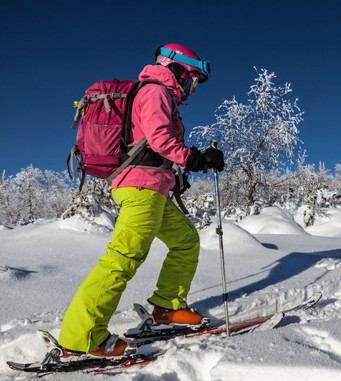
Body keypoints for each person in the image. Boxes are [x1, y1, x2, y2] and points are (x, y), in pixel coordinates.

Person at [57, 43, 225, 360]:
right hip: (140, 189)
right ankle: (82, 335)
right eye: (191, 81)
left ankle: (168, 307)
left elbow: (148, 144)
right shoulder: (156, 91)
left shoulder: (158, 95)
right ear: (177, 70)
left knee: (186, 240)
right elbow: (161, 139)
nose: (191, 89)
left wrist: (176, 174)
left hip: (151, 187)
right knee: (124, 258)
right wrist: (197, 159)